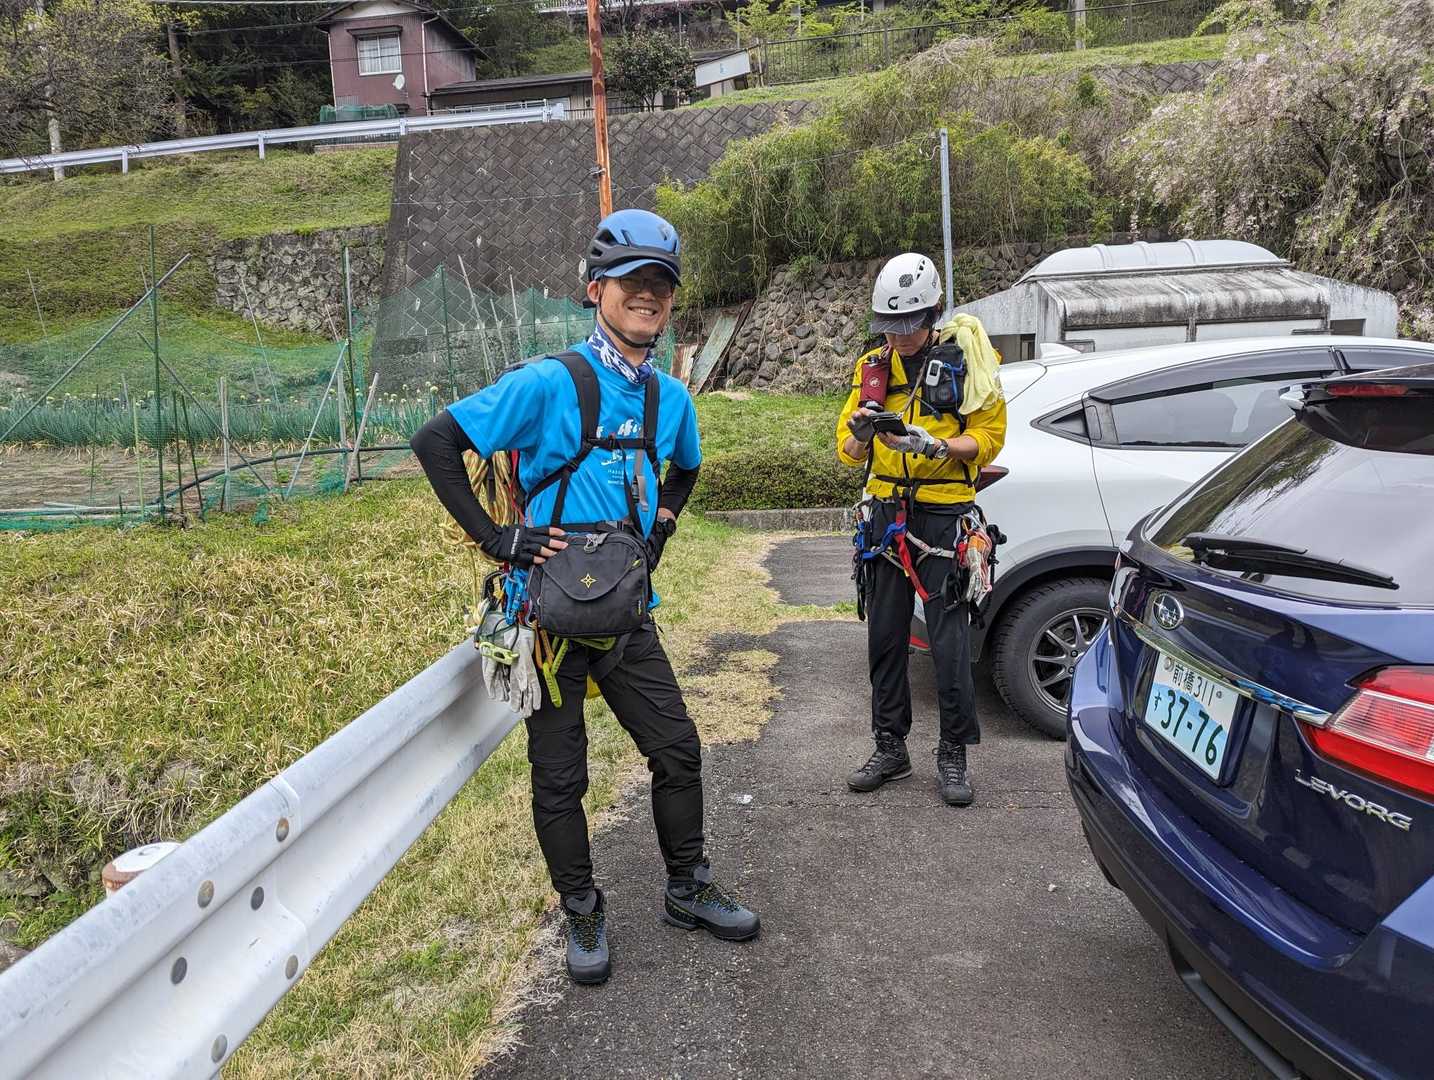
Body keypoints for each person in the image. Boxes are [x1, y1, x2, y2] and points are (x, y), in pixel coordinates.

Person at [410, 209, 759, 986]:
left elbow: (686, 470)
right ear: (596, 288)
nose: (648, 294)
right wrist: (498, 538)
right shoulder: (547, 384)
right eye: (631, 280)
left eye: (661, 282)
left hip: (628, 617)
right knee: (560, 775)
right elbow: (436, 441)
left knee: (677, 750)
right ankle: (582, 908)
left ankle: (687, 887)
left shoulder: (672, 399)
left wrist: (659, 532)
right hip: (549, 623)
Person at [836, 252, 1007, 807]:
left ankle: (953, 752)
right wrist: (864, 433)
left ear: (933, 313)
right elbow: (846, 450)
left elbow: (988, 439)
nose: (899, 337)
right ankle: (890, 747)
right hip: (885, 515)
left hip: (943, 514)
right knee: (884, 638)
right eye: (890, 326)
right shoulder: (871, 368)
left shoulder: (969, 363)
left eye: (909, 324)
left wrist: (936, 446)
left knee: (949, 641)